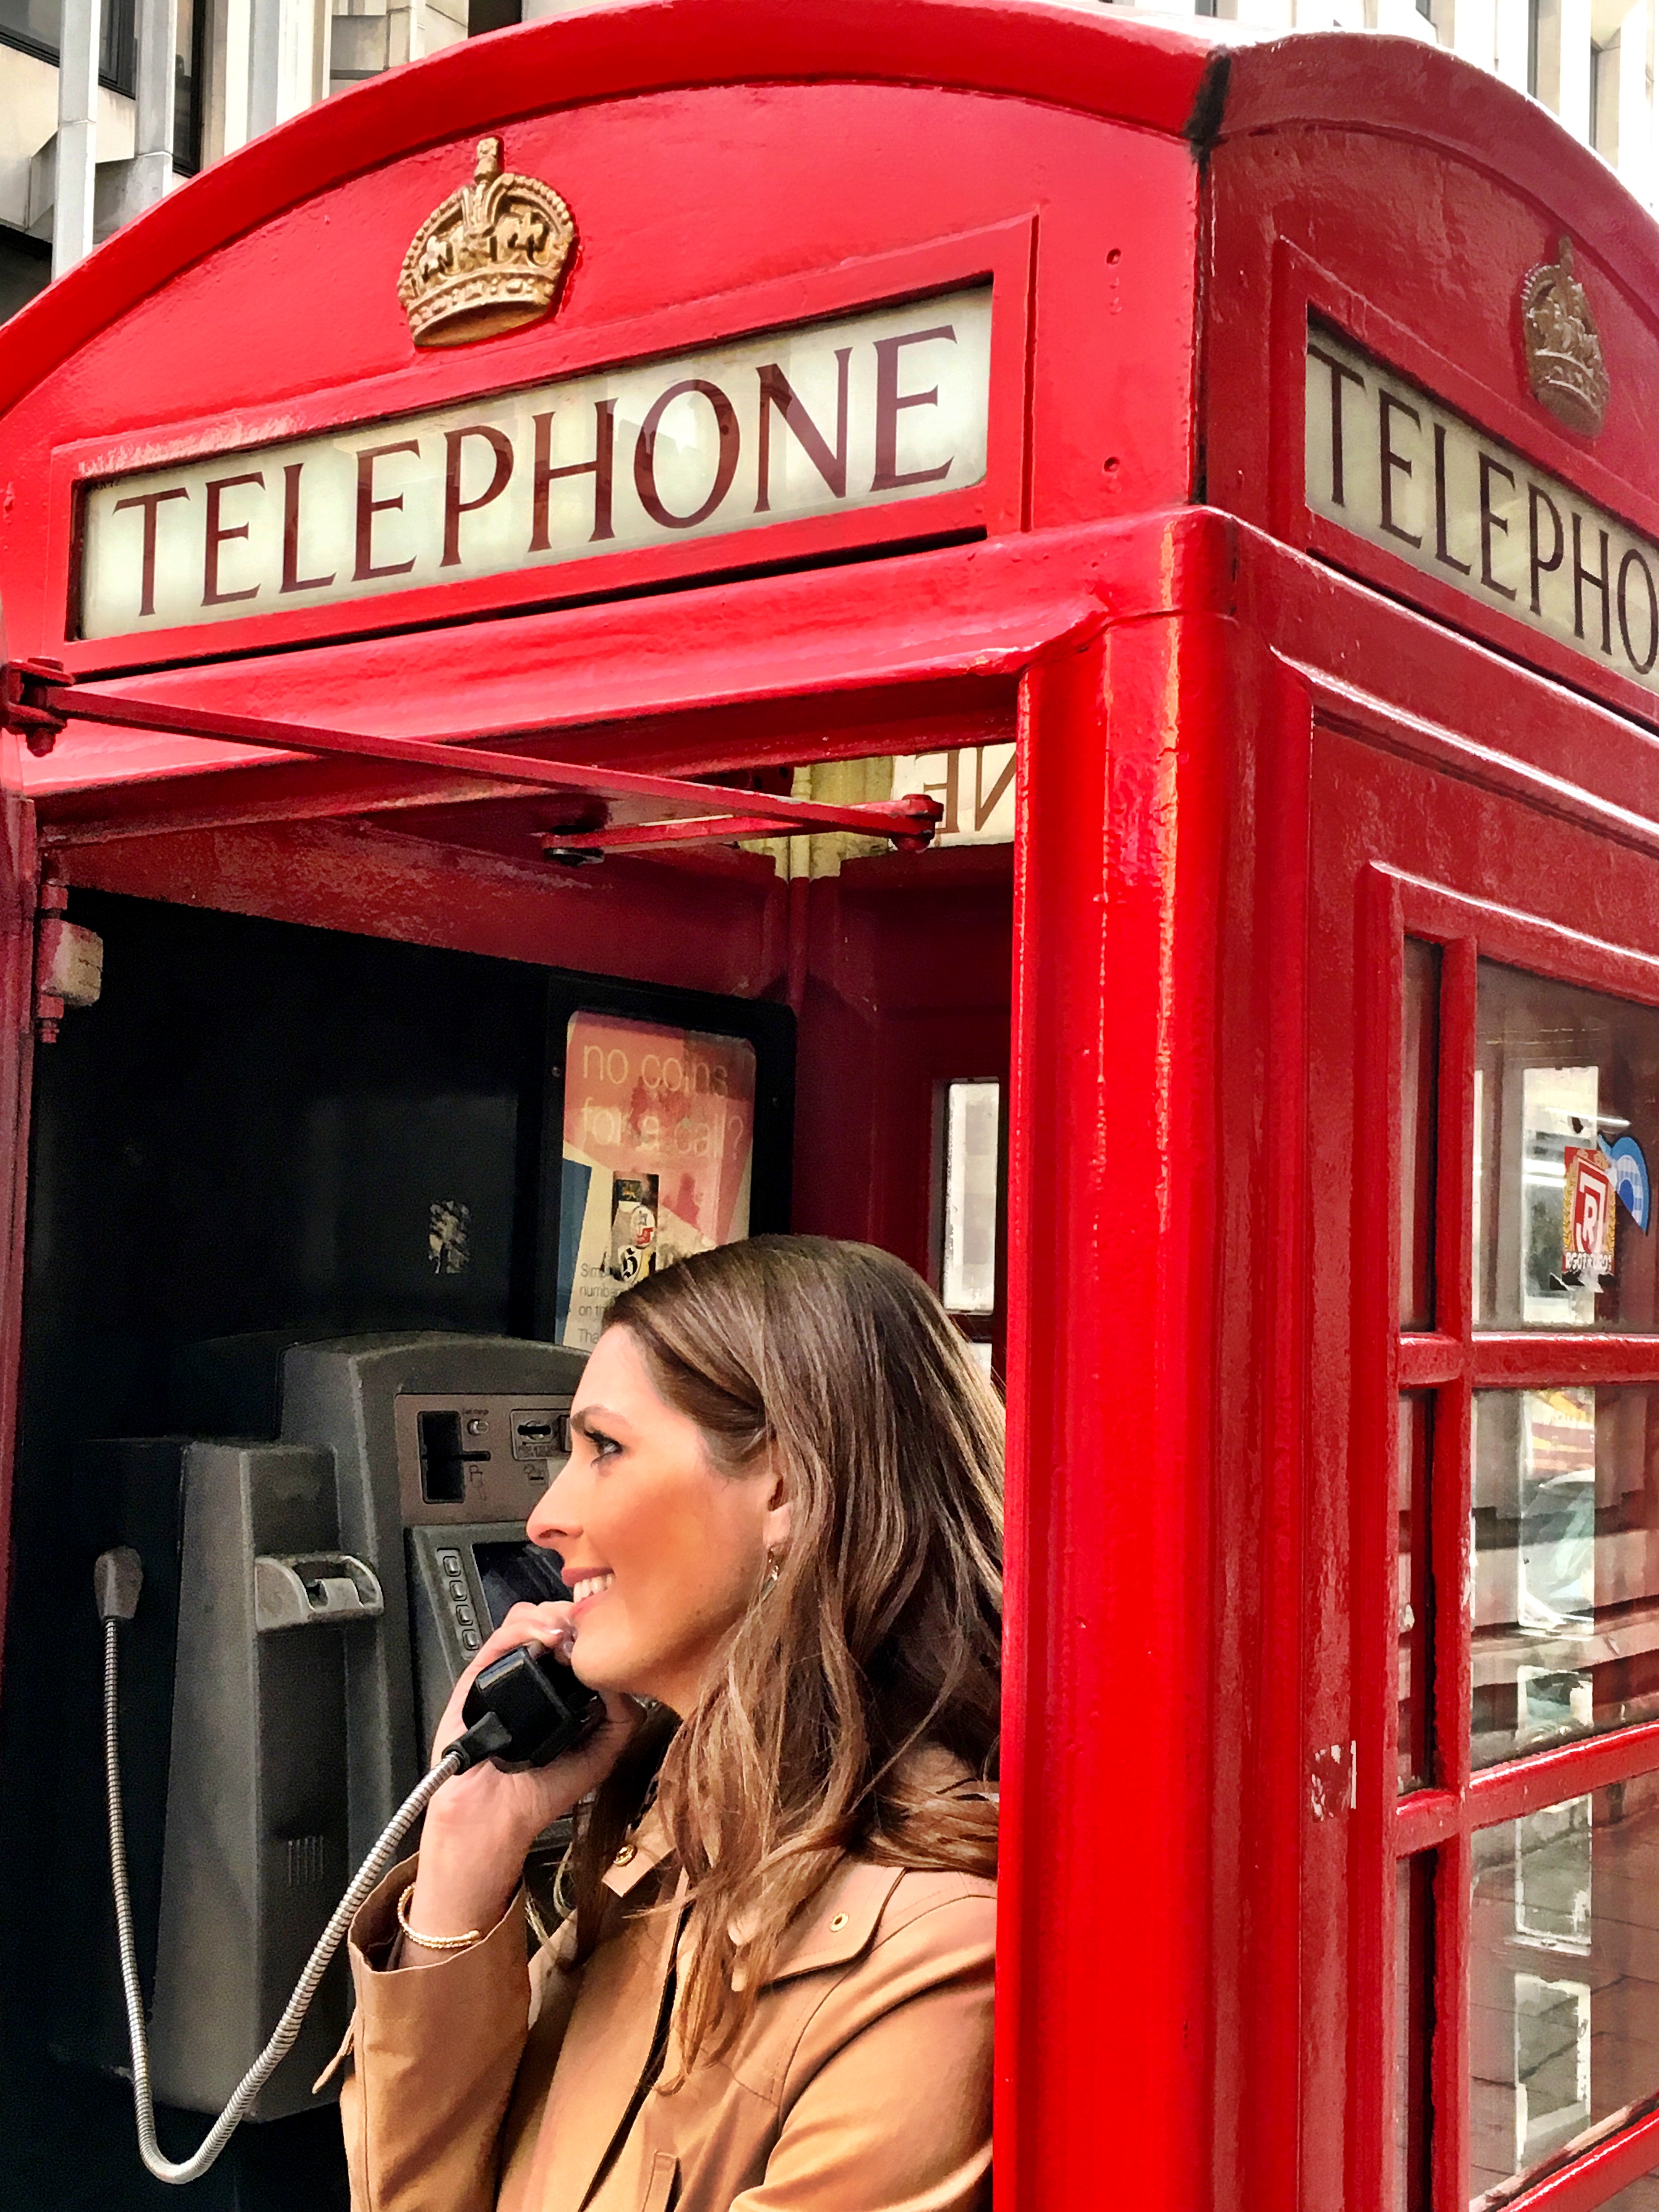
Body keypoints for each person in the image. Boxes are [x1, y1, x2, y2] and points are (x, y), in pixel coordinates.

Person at [335, 1234, 1003, 2212]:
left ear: (784, 1485)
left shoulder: (928, 1955)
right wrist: (463, 1856)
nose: (545, 1517)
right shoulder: (667, 1848)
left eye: (604, 1449)